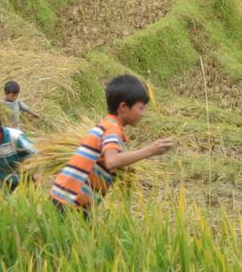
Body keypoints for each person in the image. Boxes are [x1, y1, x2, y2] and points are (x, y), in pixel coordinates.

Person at [50, 74, 175, 214]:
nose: (143, 113)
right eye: (141, 108)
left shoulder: (106, 125)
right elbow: (112, 161)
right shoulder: (112, 129)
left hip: (65, 196)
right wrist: (151, 150)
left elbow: (104, 161)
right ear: (123, 107)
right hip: (71, 201)